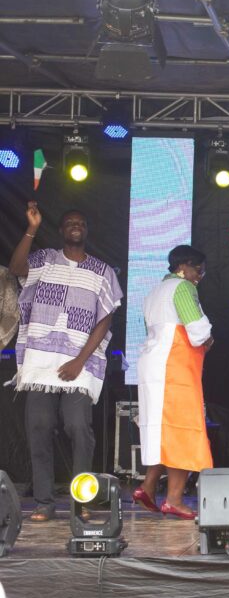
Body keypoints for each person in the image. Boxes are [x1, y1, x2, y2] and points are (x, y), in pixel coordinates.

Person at [9, 202, 123, 522]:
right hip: (41, 364)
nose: (76, 226)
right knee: (39, 428)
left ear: (86, 231)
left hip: (81, 365)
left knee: (78, 427)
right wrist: (32, 228)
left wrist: (79, 360)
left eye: (81, 223)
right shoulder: (45, 260)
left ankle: (80, 500)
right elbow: (17, 268)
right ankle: (44, 502)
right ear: (61, 230)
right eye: (70, 222)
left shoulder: (101, 271)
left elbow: (105, 319)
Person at [134, 245, 214, 520]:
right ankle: (174, 499)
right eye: (198, 270)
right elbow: (198, 330)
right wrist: (209, 339)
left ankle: (147, 487)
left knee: (163, 431)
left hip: (152, 365)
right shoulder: (183, 287)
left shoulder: (154, 291)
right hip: (174, 366)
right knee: (183, 430)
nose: (199, 277)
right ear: (183, 267)